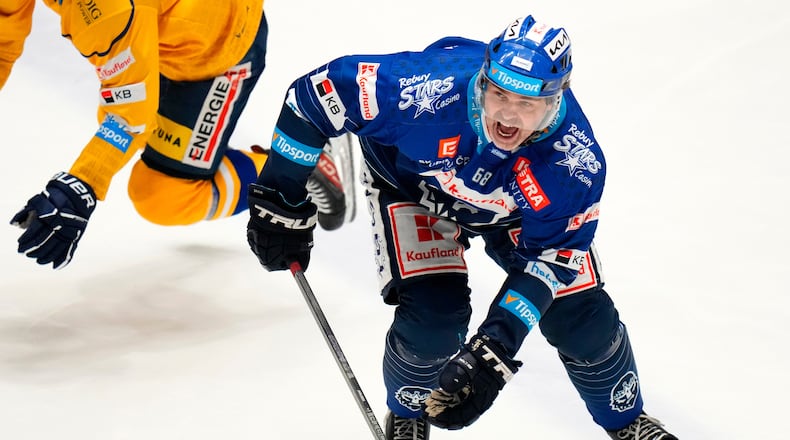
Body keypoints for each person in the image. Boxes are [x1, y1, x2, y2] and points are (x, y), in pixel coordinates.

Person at [245, 13, 679, 440]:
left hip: (517, 215)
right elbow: (316, 96)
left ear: (555, 101)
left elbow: (553, 257)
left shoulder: (574, 163)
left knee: (582, 319)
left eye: (527, 104)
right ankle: (409, 412)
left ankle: (627, 422)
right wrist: (280, 195)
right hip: (414, 190)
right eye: (500, 95)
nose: (508, 117)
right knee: (432, 325)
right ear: (484, 81)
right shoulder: (423, 90)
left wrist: (496, 348)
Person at [0, 0, 352, 270]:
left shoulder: (106, 9)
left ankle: (297, 161)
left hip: (215, 50)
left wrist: (82, 184)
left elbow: (129, 114)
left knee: (163, 196)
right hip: (159, 30)